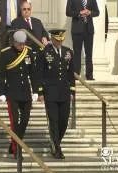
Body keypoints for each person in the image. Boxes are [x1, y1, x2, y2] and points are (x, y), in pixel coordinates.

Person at [0, 30, 38, 158]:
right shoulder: (6, 54)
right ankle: (17, 150)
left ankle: (13, 143)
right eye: (19, 44)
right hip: (12, 92)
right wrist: (1, 92)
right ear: (14, 42)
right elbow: (0, 75)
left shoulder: (28, 52)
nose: (21, 46)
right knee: (15, 122)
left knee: (24, 121)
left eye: (23, 44)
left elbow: (33, 73)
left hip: (25, 92)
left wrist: (35, 91)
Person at [37, 29, 75, 159]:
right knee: (54, 121)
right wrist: (40, 92)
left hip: (64, 92)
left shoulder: (68, 52)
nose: (59, 42)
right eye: (57, 40)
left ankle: (55, 142)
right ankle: (57, 150)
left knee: (63, 121)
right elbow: (39, 73)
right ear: (52, 39)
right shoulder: (44, 52)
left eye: (61, 40)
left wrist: (72, 90)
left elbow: (71, 73)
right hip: (50, 92)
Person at [66, 0, 99, 80]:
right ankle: (76, 74)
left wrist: (90, 12)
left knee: (89, 53)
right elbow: (68, 12)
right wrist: (79, 13)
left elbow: (97, 12)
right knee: (77, 53)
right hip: (77, 30)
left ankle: (89, 75)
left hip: (89, 30)